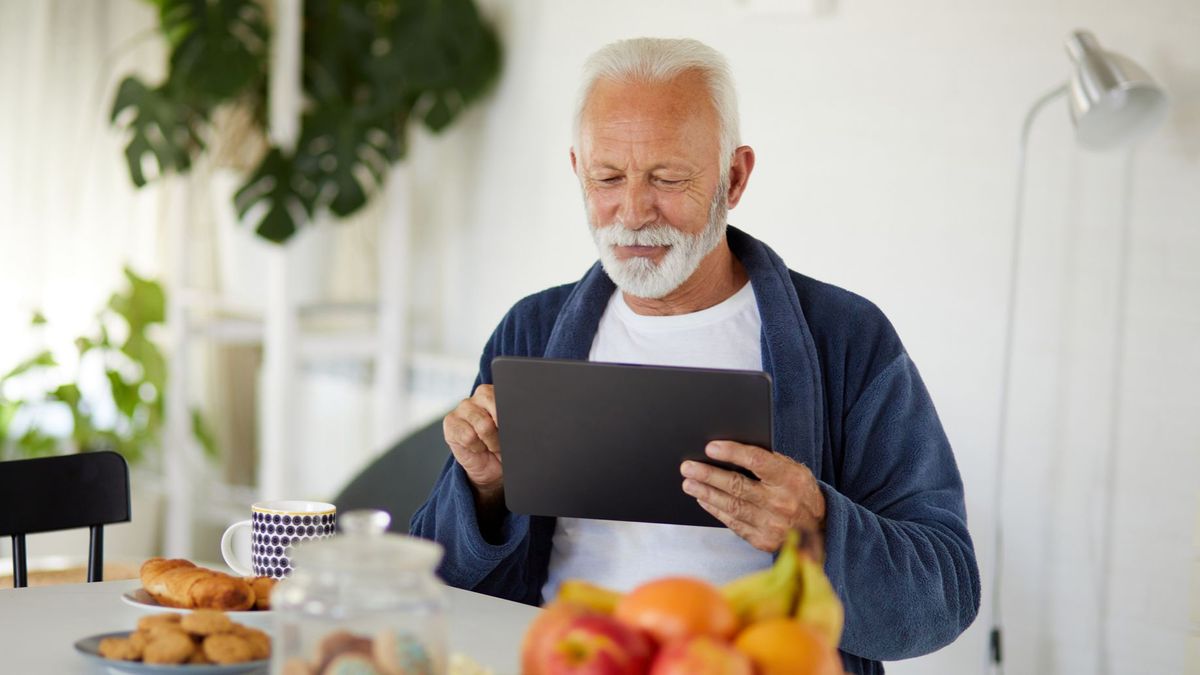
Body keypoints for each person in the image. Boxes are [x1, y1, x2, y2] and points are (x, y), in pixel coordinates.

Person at [411, 37, 979, 673]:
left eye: (667, 178)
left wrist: (816, 523)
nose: (632, 213)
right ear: (578, 171)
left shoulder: (846, 338)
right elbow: (432, 580)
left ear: (733, 178)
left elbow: (944, 595)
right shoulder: (533, 329)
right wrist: (485, 489)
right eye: (607, 178)